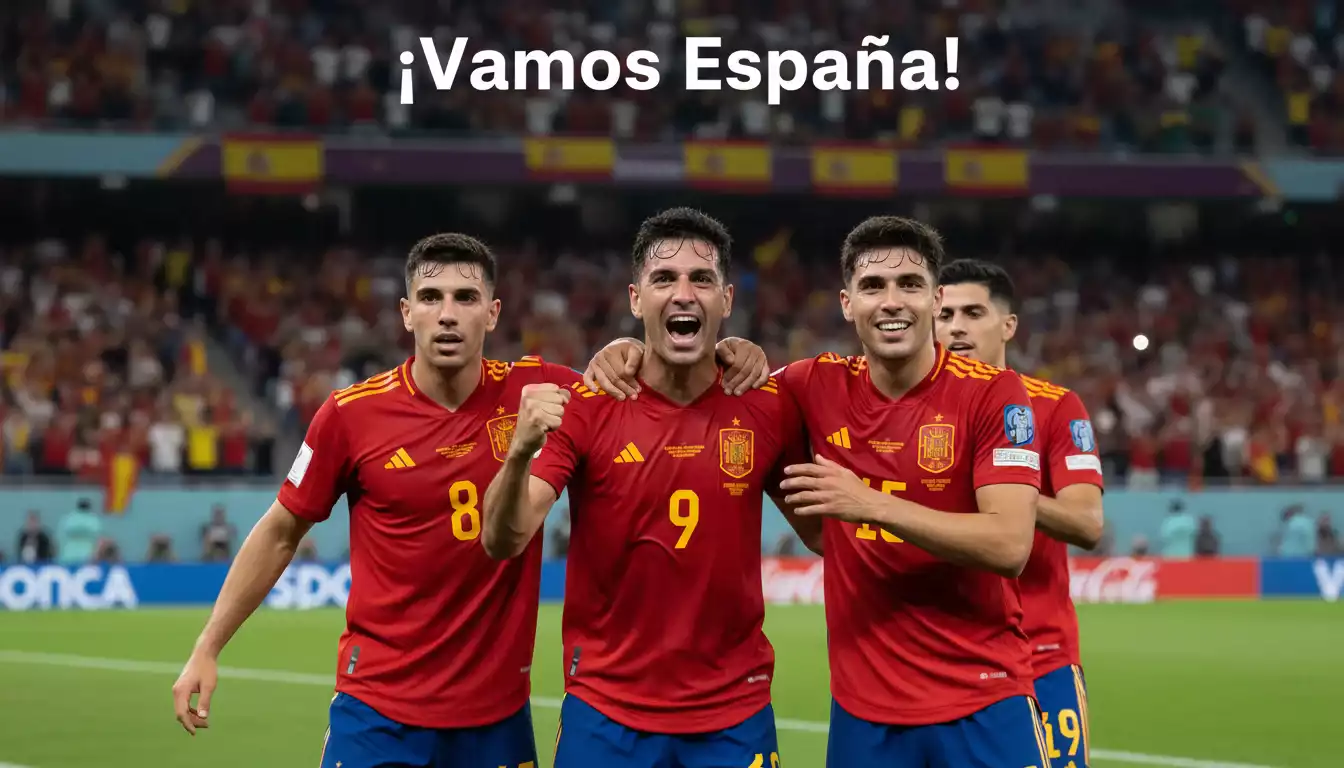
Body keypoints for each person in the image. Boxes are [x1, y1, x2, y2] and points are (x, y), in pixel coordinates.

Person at [170, 232, 765, 768]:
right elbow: (280, 531)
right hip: (378, 709)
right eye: (431, 298)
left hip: (496, 719)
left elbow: (639, 371)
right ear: (407, 313)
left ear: (492, 312)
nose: (448, 314)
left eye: (465, 297)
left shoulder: (541, 389)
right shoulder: (350, 415)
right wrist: (208, 645)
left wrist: (715, 350)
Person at [482, 207, 815, 768]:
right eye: (664, 279)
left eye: (701, 279)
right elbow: (504, 538)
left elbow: (824, 536)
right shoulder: (588, 405)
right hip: (607, 713)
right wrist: (517, 453)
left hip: (734, 712)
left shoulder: (767, 406)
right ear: (636, 300)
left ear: (726, 301)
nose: (683, 293)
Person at [771, 217, 1049, 767]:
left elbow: (1010, 545)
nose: (891, 302)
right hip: (863, 710)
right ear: (847, 303)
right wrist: (627, 350)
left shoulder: (994, 393)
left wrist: (868, 503)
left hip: (983, 695)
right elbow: (721, 389)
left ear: (935, 300)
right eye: (873, 286)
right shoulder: (812, 383)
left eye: (910, 285)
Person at [936, 258, 1105, 768]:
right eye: (945, 315)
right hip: (941, 661)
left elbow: (1087, 523)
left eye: (973, 313)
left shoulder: (1055, 407)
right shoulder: (913, 412)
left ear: (1008, 325)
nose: (957, 327)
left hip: (1040, 657)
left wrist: (1005, 487)